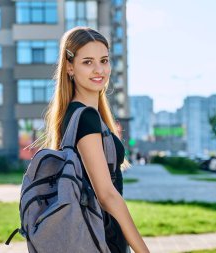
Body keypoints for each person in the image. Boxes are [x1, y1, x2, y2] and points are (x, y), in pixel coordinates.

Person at [37, 27, 150, 253]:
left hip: (89, 237)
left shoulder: (75, 115)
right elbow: (106, 195)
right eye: (87, 62)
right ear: (70, 67)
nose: (99, 70)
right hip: (102, 240)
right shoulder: (85, 118)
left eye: (104, 60)